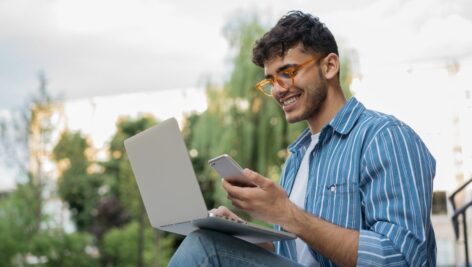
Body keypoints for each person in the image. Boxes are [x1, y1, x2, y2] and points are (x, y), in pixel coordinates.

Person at [169, 10, 436, 267]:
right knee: (210, 239)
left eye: (288, 72)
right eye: (271, 80)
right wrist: (245, 237)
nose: (278, 89)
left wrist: (287, 213)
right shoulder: (297, 158)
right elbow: (296, 257)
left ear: (330, 66)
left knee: (203, 248)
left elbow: (400, 259)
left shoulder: (384, 136)